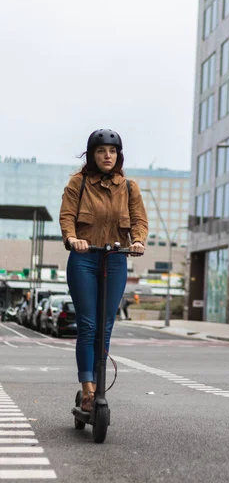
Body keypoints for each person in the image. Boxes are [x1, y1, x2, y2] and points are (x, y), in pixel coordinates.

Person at [59, 129, 148, 412]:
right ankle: (88, 390)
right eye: (101, 151)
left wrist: (138, 241)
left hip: (115, 259)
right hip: (84, 259)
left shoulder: (130, 187)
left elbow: (138, 220)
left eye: (112, 151)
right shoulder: (79, 183)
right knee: (87, 325)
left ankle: (99, 384)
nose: (107, 156)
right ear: (92, 155)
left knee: (106, 326)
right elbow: (67, 216)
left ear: (118, 155)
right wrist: (72, 239)